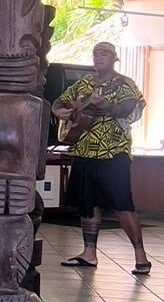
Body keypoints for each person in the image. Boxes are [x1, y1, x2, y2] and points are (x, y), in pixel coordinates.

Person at [55, 41, 150, 275]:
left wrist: (106, 105)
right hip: (84, 150)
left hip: (113, 152)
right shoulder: (85, 82)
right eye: (95, 54)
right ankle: (89, 254)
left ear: (115, 58)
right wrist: (59, 110)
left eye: (104, 54)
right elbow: (60, 101)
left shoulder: (124, 83)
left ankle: (141, 257)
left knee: (122, 204)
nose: (98, 57)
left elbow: (129, 109)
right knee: (88, 203)